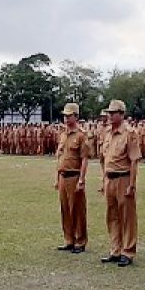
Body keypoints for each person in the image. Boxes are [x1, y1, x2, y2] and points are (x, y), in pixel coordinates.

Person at [100, 100, 139, 267]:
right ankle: (115, 250)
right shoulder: (107, 133)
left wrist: (132, 184)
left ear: (122, 114)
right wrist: (104, 180)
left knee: (127, 217)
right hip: (110, 179)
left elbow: (134, 161)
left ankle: (127, 251)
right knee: (112, 216)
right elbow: (104, 158)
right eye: (108, 113)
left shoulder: (130, 133)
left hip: (123, 178)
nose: (109, 116)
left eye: (113, 113)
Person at [54, 102, 89, 253]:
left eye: (69, 116)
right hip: (63, 175)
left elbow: (85, 159)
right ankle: (69, 239)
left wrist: (81, 179)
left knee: (77, 210)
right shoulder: (63, 134)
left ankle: (80, 241)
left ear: (76, 116)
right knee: (65, 209)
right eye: (65, 116)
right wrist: (56, 178)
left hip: (74, 176)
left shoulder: (81, 135)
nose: (66, 119)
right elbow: (60, 157)